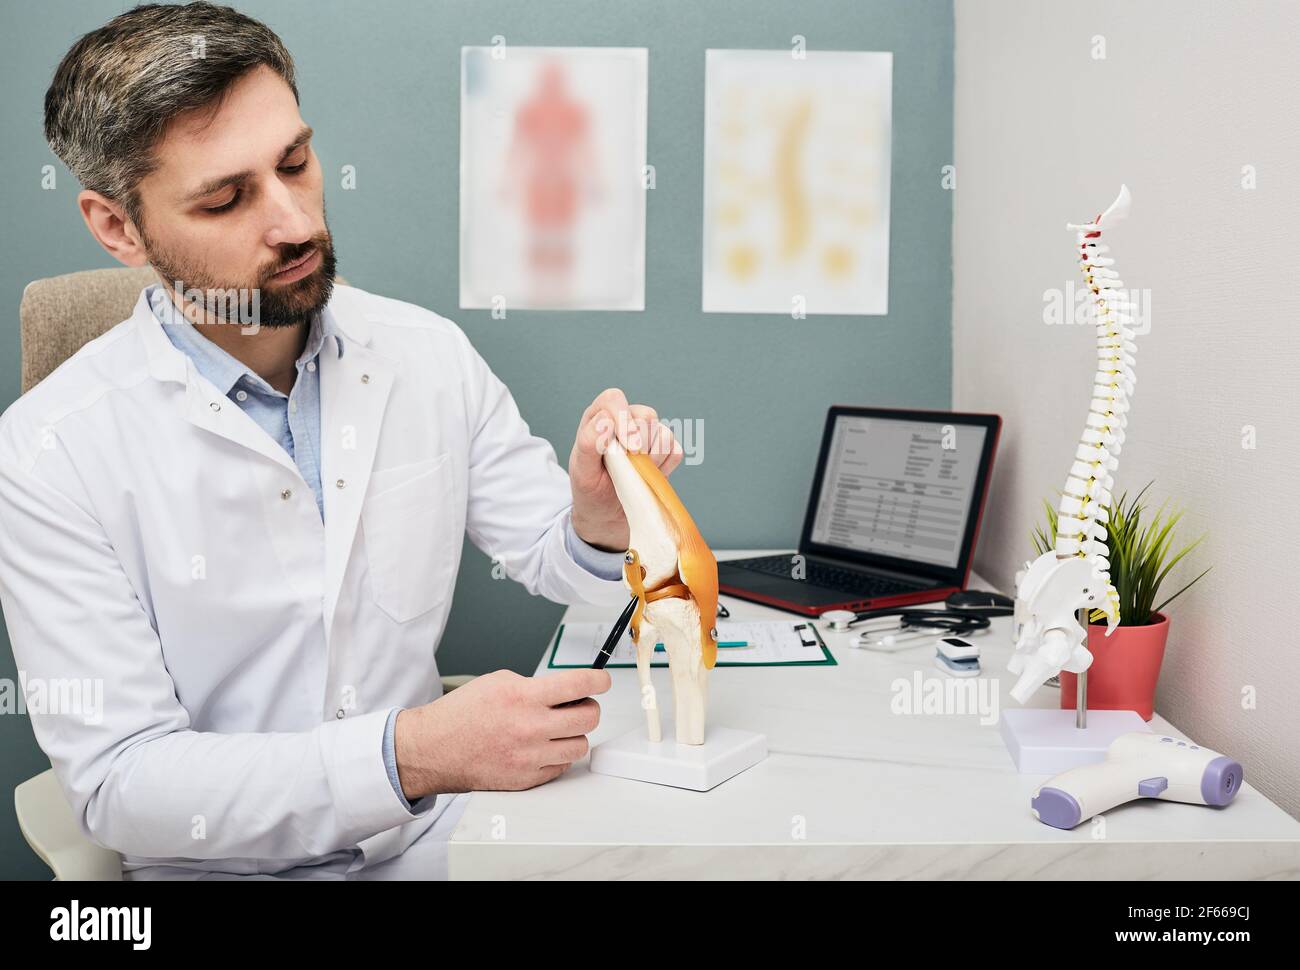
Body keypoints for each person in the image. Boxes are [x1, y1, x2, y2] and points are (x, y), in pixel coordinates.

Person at [0, 1, 683, 880]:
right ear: (118, 228)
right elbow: (123, 781)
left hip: (427, 845)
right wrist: (409, 755)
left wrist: (595, 517)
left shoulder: (425, 355)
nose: (294, 223)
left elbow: (558, 566)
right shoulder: (45, 452)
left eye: (295, 162)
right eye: (224, 198)